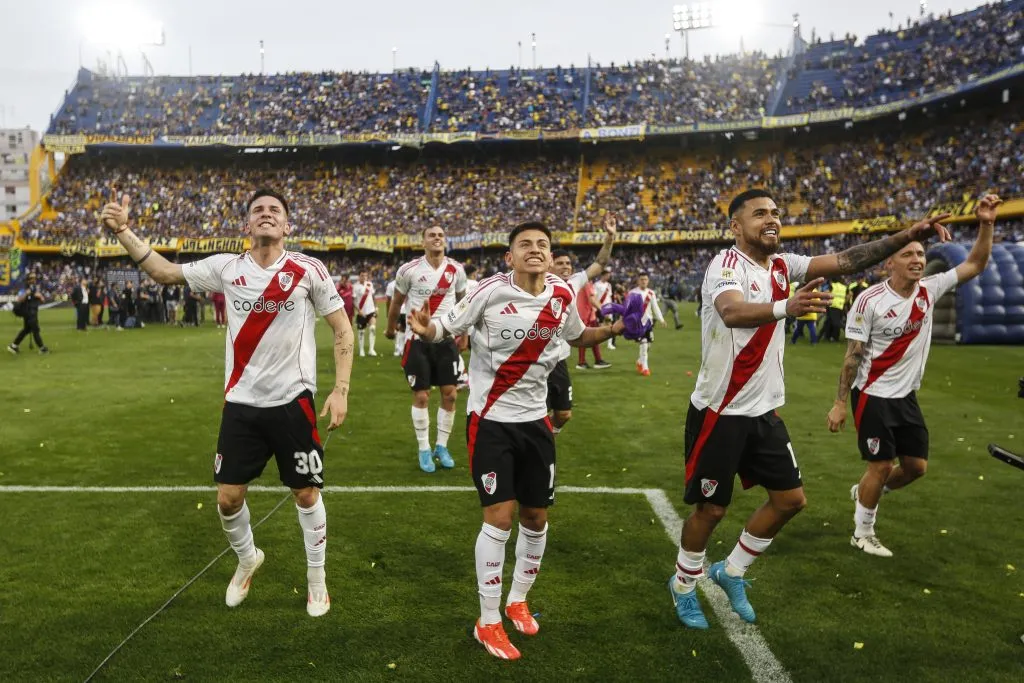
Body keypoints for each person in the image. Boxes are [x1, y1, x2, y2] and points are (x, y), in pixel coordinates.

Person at [668, 188, 953, 630]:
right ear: (735, 226)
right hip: (719, 411)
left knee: (790, 500)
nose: (772, 219)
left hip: (763, 410)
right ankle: (684, 585)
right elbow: (730, 311)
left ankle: (732, 571)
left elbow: (847, 260)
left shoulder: (784, 264)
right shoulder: (725, 266)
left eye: (776, 212)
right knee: (711, 510)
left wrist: (903, 237)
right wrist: (788, 306)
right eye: (759, 213)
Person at [100, 187, 354, 617]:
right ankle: (248, 558)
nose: (267, 214)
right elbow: (164, 272)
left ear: (288, 225)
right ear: (247, 225)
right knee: (228, 499)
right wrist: (124, 230)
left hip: (294, 402)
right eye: (258, 210)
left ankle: (317, 581)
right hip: (241, 404)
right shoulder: (225, 267)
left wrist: (341, 388)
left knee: (307, 495)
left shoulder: (310, 270)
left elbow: (343, 330)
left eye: (276, 210)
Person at [406, 221, 631, 661]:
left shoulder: (563, 294)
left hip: (536, 423)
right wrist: (425, 329)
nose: (534, 250)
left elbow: (575, 336)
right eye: (524, 244)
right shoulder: (489, 290)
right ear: (509, 256)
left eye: (542, 245)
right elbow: (446, 327)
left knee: (536, 518)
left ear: (550, 256)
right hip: (491, 421)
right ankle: (487, 620)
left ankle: (517, 599)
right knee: (499, 518)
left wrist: (612, 330)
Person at [826, 195, 1002, 558]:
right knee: (880, 465)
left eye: (921, 254)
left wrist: (985, 223)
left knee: (915, 468)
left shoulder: (930, 290)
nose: (918, 260)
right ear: (888, 262)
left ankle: (865, 494)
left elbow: (976, 263)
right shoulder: (869, 301)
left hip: (906, 396)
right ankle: (863, 532)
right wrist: (839, 403)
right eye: (908, 255)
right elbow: (851, 357)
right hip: (872, 395)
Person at [385, 226, 467, 473]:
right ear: (423, 241)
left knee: (451, 394)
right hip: (417, 341)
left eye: (441, 235)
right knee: (421, 396)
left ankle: (441, 446)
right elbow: (397, 302)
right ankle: (423, 448)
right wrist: (390, 329)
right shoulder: (409, 270)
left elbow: (464, 303)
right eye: (432, 235)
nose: (437, 238)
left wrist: (463, 333)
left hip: (446, 341)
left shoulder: (456, 270)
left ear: (446, 240)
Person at [546, 214, 617, 432]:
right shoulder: (538, 285)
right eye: (560, 263)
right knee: (535, 417)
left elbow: (600, 263)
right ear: (549, 264)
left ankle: (546, 438)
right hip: (536, 361)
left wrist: (610, 237)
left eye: (568, 263)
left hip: (559, 360)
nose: (566, 267)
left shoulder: (573, 282)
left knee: (564, 414)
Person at [629, 273, 666, 376]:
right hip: (638, 324)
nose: (644, 281)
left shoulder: (651, 293)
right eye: (641, 279)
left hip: (648, 323)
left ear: (648, 281)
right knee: (644, 345)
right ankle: (645, 368)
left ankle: (640, 361)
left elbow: (655, 307)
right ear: (638, 281)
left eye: (645, 279)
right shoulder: (632, 293)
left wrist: (661, 319)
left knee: (648, 345)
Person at [7, 273, 49, 355]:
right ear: (28, 279)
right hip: (29, 312)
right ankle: (42, 348)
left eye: (34, 278)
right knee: (35, 330)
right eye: (32, 278)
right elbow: (19, 299)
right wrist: (27, 293)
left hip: (32, 311)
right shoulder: (24, 288)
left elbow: (42, 299)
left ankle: (14, 346)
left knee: (26, 330)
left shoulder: (34, 288)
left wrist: (39, 296)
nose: (34, 279)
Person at [351, 271, 378, 357]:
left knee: (373, 328)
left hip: (371, 310)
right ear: (359, 276)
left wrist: (376, 307)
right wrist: (358, 311)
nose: (364, 277)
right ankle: (361, 350)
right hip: (361, 312)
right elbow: (353, 301)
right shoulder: (355, 286)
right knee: (361, 332)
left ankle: (371, 350)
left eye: (365, 275)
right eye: (362, 275)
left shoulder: (369, 284)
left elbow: (373, 296)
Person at [594, 269, 616, 349]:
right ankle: (598, 342)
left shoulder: (609, 285)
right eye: (607, 275)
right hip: (600, 307)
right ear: (603, 275)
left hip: (608, 307)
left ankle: (609, 344)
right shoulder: (596, 284)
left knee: (609, 325)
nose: (608, 277)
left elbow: (609, 296)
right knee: (600, 325)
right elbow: (595, 297)